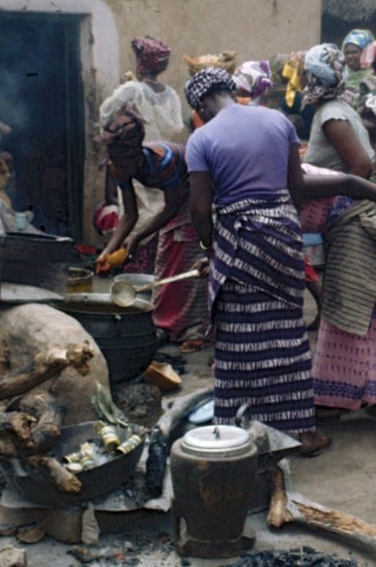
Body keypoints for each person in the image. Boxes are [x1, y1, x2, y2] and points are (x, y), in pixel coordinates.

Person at [184, 67, 330, 455]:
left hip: (239, 237)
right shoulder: (278, 120)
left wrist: (210, 246)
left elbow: (200, 208)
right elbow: (296, 187)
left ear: (199, 104)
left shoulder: (201, 139)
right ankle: (303, 432)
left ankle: (233, 431)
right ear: (230, 90)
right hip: (283, 234)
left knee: (239, 335)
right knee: (286, 330)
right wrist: (281, 225)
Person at [299, 164, 376, 423]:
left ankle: (330, 401)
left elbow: (351, 178)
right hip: (365, 222)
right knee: (366, 315)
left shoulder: (292, 179)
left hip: (367, 222)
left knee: (345, 311)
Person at [95, 106, 208, 350]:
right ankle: (166, 325)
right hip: (177, 201)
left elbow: (172, 205)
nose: (120, 168)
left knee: (191, 261)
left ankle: (196, 330)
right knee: (165, 263)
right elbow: (130, 214)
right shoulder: (118, 166)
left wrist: (138, 238)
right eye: (116, 161)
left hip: (200, 193)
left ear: (136, 154)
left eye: (124, 162)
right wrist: (108, 251)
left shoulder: (163, 161)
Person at [99, 36, 186, 276]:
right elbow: (129, 214)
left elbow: (105, 113)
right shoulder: (170, 95)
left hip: (161, 174)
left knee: (155, 228)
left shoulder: (131, 90)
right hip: (142, 164)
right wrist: (108, 250)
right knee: (148, 225)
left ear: (140, 62)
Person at [301, 46, 375, 178]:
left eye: (303, 73)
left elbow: (363, 167)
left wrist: (342, 198)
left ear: (311, 77)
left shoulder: (331, 116)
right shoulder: (337, 106)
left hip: (348, 197)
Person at [341, 29, 376, 97]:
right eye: (347, 53)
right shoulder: (341, 78)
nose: (350, 56)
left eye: (354, 52)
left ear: (365, 53)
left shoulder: (373, 78)